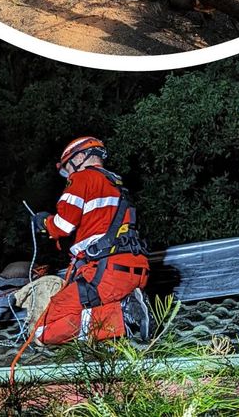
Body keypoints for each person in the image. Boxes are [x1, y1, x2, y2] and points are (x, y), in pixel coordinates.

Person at [32, 137, 151, 344]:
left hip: (104, 273)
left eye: (68, 168)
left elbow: (63, 225)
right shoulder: (117, 185)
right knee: (85, 314)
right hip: (134, 270)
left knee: (43, 331)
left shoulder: (82, 178)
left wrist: (45, 222)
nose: (68, 175)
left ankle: (124, 317)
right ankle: (125, 308)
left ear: (79, 157)